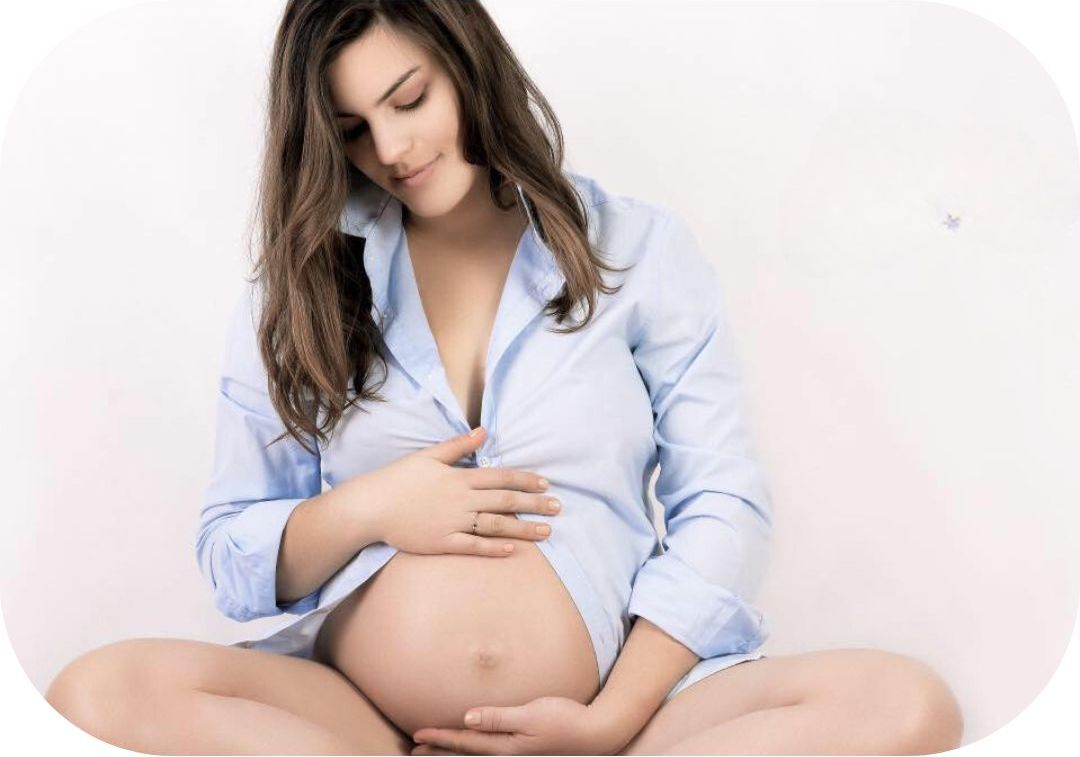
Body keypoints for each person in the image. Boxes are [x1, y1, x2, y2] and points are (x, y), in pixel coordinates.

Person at [43, 1, 964, 754]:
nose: (393, 150)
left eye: (410, 99)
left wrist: (606, 723)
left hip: (615, 715)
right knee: (99, 692)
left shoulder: (638, 250)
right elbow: (230, 550)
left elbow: (724, 503)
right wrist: (370, 508)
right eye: (354, 131)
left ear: (466, 63)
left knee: (905, 705)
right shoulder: (300, 288)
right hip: (364, 725)